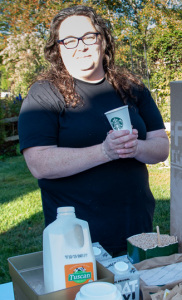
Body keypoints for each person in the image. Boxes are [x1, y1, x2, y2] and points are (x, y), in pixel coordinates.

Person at [18, 5, 169, 256]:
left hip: (137, 226)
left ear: (103, 40)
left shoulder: (131, 88)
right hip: (77, 236)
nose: (81, 46)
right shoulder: (44, 94)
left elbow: (161, 146)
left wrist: (136, 147)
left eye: (89, 37)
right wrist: (105, 151)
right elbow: (39, 163)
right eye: (69, 40)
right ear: (58, 48)